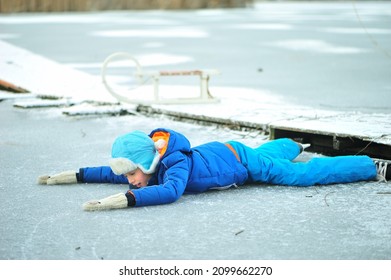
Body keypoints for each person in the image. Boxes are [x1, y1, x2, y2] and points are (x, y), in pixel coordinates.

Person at [38, 128, 390, 211]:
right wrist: (77, 175)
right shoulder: (146, 167)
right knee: (271, 153)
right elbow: (107, 172)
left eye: (132, 176)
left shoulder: (173, 165)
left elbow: (172, 192)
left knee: (295, 175)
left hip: (240, 161)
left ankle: (365, 165)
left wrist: (128, 198)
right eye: (129, 177)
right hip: (230, 150)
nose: (129, 180)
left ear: (146, 165)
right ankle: (293, 143)